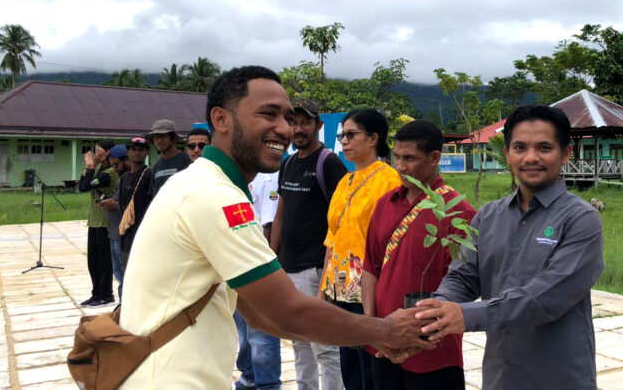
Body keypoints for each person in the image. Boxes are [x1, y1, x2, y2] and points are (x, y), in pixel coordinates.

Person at [119, 66, 429, 388]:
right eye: (269, 114)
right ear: (221, 119)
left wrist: (368, 332)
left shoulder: (202, 182)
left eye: (288, 118)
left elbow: (259, 313)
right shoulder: (214, 195)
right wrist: (386, 330)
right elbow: (289, 311)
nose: (284, 129)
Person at [416, 105, 605, 389]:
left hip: (560, 377)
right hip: (500, 375)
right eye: (520, 147)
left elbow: (545, 298)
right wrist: (436, 310)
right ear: (507, 153)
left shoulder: (581, 219)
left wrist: (465, 315)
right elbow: (464, 276)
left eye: (544, 147)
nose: (531, 157)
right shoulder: (488, 215)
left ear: (566, 153)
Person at [362, 120, 476, 390]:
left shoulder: (457, 212)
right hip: (384, 343)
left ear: (434, 158)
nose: (400, 167)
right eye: (397, 157)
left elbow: (463, 282)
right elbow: (370, 267)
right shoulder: (385, 203)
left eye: (410, 159)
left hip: (433, 350)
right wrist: (373, 327)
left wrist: (423, 330)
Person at [320, 108, 402, 390]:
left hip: (368, 290)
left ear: (373, 138)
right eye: (342, 136)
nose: (344, 141)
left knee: (371, 371)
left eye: (351, 134)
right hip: (340, 288)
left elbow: (390, 241)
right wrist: (324, 289)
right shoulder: (345, 181)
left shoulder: (388, 180)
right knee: (350, 370)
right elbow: (332, 238)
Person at [270, 98, 347, 390]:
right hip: (288, 267)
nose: (299, 129)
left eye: (305, 122)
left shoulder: (329, 163)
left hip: (315, 268)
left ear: (318, 125)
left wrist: (328, 271)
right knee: (299, 342)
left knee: (325, 346)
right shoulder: (288, 163)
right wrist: (273, 257)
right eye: (293, 122)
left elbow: (341, 220)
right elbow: (281, 213)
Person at [233, 169, 283, 390]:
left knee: (261, 331)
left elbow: (269, 224)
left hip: (257, 262)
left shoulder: (269, 177)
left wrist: (266, 267)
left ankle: (268, 383)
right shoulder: (234, 176)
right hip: (237, 261)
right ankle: (249, 375)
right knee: (243, 329)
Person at [77, 140, 119, 307]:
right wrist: (91, 166)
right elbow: (82, 184)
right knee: (93, 260)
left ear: (108, 152)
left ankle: (106, 294)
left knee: (104, 260)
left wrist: (91, 165)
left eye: (99, 150)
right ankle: (96, 293)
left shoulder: (109, 173)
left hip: (105, 222)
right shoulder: (100, 170)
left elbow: (85, 186)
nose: (95, 154)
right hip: (94, 221)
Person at [114, 137, 153, 268]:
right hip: (126, 235)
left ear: (147, 152)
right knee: (127, 272)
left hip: (143, 235)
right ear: (128, 152)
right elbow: (121, 205)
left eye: (141, 150)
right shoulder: (124, 177)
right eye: (133, 149)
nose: (137, 152)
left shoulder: (149, 175)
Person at [98, 144, 128, 300]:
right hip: (114, 231)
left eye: (116, 165)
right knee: (117, 272)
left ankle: (126, 304)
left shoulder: (133, 178)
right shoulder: (123, 178)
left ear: (126, 160)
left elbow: (134, 204)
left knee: (125, 273)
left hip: (123, 233)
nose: (114, 169)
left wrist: (114, 204)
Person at [146, 118, 192, 197]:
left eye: (163, 136)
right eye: (156, 136)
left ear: (172, 138)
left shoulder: (186, 160)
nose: (159, 140)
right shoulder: (157, 166)